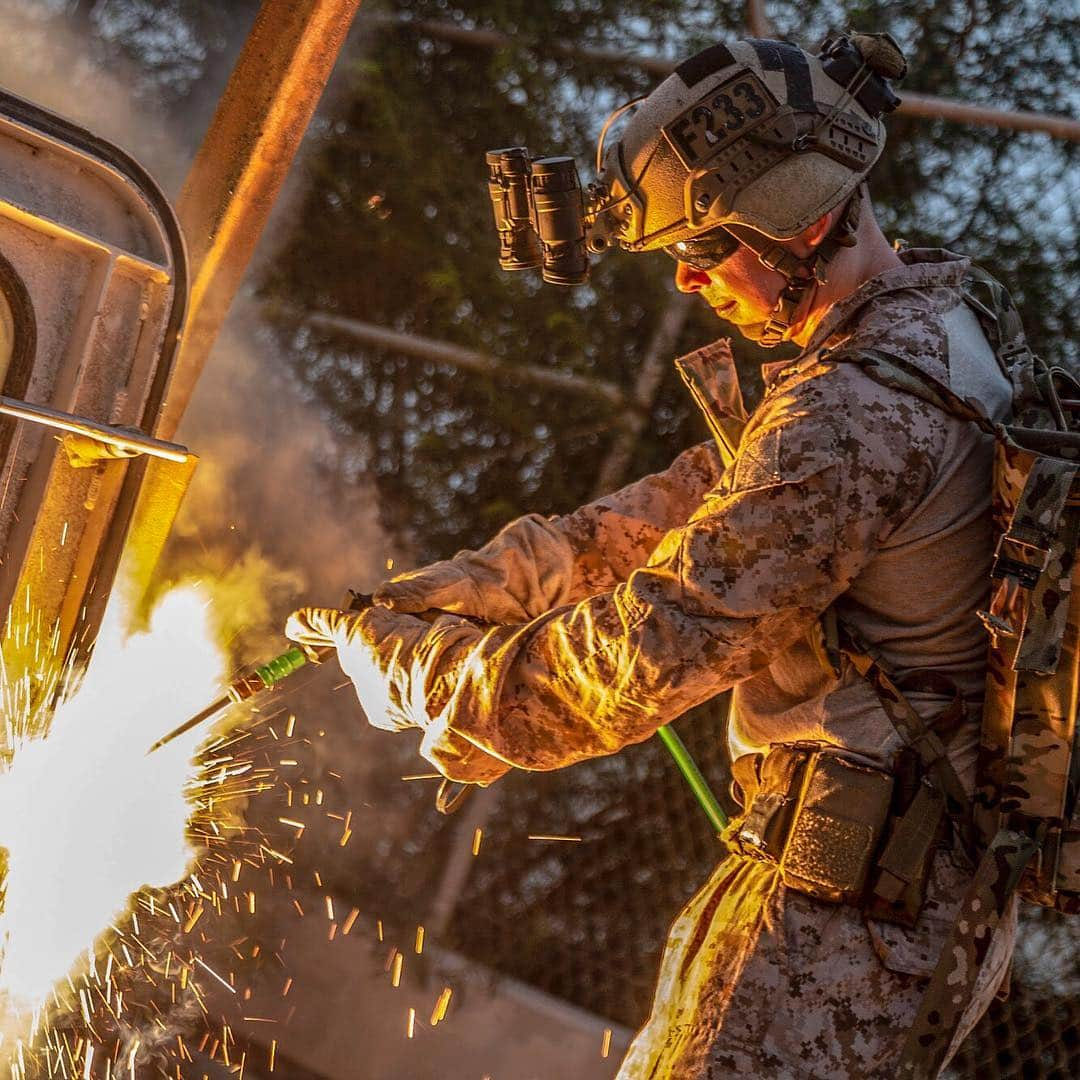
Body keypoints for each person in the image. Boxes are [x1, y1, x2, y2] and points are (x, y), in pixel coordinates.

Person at [287, 32, 1019, 1078]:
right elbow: (649, 526)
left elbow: (629, 666)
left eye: (706, 250)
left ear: (800, 219)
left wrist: (417, 675)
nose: (686, 279)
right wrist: (432, 599)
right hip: (866, 905)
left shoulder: (853, 419)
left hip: (838, 931)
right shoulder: (925, 344)